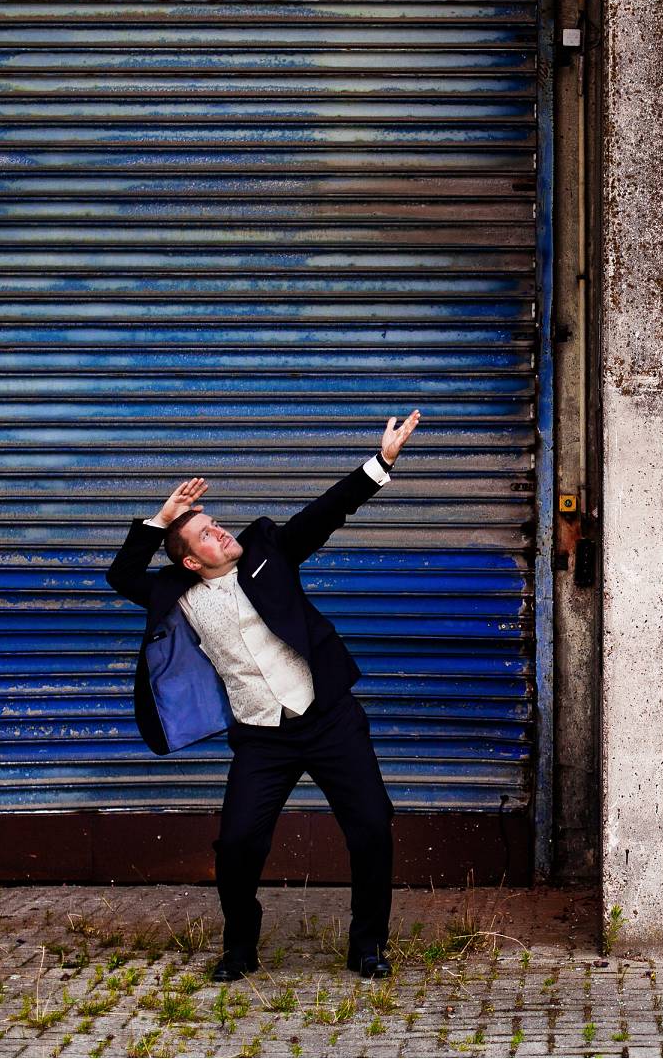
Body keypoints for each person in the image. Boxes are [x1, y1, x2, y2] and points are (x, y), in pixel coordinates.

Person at [105, 410, 422, 983]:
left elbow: (325, 514)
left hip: (329, 719)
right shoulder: (172, 593)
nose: (220, 531)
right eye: (205, 533)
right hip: (260, 736)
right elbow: (122, 573)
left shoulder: (268, 551)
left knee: (372, 827)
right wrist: (161, 518)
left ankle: (368, 944)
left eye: (217, 523)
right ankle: (240, 948)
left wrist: (382, 462)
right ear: (190, 560)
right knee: (238, 845)